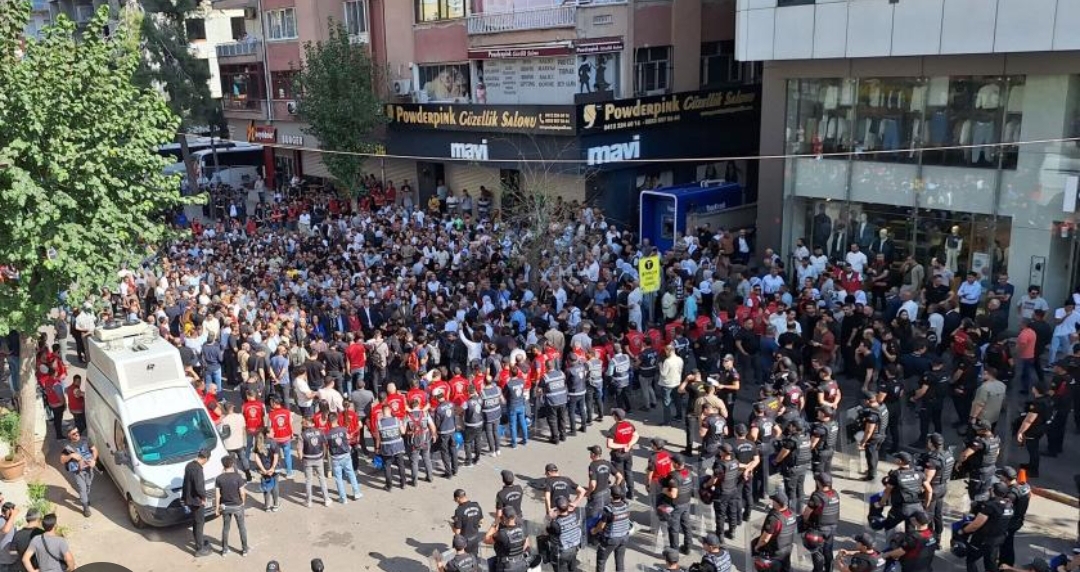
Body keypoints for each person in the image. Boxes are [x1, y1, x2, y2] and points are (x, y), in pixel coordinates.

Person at [958, 483, 1013, 572]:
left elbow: (976, 524)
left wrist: (963, 530)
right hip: (998, 539)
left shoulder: (990, 506)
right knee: (990, 564)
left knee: (971, 560)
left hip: (983, 540)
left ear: (993, 491)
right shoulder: (1009, 505)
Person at [873, 452, 930, 533]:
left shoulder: (896, 475)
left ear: (900, 461)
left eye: (896, 458)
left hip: (901, 509)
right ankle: (908, 544)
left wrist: (881, 503)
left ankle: (892, 544)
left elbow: (887, 492)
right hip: (917, 507)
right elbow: (929, 490)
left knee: (888, 526)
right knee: (910, 531)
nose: (894, 459)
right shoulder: (919, 473)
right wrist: (925, 505)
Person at [752, 491, 797, 572]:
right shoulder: (792, 514)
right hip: (787, 549)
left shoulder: (774, 519)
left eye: (773, 501)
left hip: (774, 552)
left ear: (777, 503)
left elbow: (765, 539)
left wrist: (757, 547)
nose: (772, 502)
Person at [919, 433, 953, 540]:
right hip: (943, 487)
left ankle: (928, 538)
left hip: (933, 489)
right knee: (938, 514)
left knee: (928, 514)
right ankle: (938, 538)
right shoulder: (948, 454)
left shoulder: (933, 459)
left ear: (931, 443)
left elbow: (927, 480)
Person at [773, 420, 812, 513]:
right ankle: (799, 510)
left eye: (790, 426)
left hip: (792, 469)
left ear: (794, 427)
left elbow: (783, 454)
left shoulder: (792, 440)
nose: (789, 427)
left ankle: (791, 512)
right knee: (800, 489)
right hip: (803, 467)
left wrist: (776, 461)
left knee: (791, 492)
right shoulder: (806, 436)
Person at [1016, 381, 1053, 478]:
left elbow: (1029, 420)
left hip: (1034, 430)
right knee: (1033, 448)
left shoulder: (1038, 403)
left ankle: (1034, 470)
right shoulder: (1047, 399)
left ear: (1036, 389)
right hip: (1042, 428)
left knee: (1033, 449)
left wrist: (1020, 432)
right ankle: (1031, 465)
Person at [216, 455, 250, 557]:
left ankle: (224, 549)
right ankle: (244, 549)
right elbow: (242, 493)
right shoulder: (238, 477)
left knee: (226, 528)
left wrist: (217, 508)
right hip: (237, 506)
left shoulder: (219, 478)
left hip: (225, 506)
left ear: (223, 465)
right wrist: (243, 502)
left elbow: (217, 494)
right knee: (242, 528)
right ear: (233, 464)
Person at [59, 426, 97, 518]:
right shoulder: (67, 446)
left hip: (89, 468)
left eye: (77, 432)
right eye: (74, 434)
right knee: (82, 488)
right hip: (77, 471)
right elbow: (62, 460)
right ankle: (85, 507)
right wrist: (71, 456)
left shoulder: (86, 440)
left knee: (88, 485)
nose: (77, 434)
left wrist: (93, 460)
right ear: (69, 435)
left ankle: (85, 498)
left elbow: (94, 450)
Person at [592, 485, 631, 572]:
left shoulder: (609, 510)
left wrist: (594, 531)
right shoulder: (626, 506)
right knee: (620, 561)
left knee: (601, 560)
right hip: (624, 537)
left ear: (610, 496)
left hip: (611, 539)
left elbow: (601, 526)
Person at [997, 466, 1031, 566]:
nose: (1000, 478)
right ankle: (1006, 564)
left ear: (1006, 478)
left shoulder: (1011, 494)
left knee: (1005, 545)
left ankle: (1005, 565)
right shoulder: (1024, 486)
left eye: (1001, 477)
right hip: (1018, 519)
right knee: (1008, 543)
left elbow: (1003, 507)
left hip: (1010, 523)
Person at [707, 444, 742, 541]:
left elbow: (714, 479)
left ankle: (720, 535)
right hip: (733, 490)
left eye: (720, 450)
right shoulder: (735, 461)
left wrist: (706, 485)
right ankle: (732, 532)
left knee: (720, 514)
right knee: (732, 511)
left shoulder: (720, 464)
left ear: (723, 452)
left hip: (722, 493)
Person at [960, 420, 1001, 501]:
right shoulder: (996, 439)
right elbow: (997, 452)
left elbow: (965, 454)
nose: (976, 430)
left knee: (974, 494)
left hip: (979, 472)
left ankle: (976, 511)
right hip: (991, 469)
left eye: (979, 429)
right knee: (985, 491)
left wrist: (959, 462)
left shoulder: (981, 441)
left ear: (986, 430)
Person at [327, 412, 362, 503]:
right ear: (337, 419)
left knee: (338, 478)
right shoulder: (343, 429)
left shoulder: (328, 434)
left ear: (329, 421)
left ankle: (343, 498)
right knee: (351, 474)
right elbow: (348, 438)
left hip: (335, 457)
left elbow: (327, 445)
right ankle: (357, 493)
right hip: (345, 455)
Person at [663, 454, 694, 554]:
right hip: (686, 502)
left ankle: (674, 551)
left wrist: (664, 491)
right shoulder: (688, 472)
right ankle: (687, 547)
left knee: (674, 528)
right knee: (686, 525)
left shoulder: (674, 476)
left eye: (672, 462)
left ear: (676, 464)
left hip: (676, 505)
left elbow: (673, 494)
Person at [183, 448, 211, 556]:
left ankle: (199, 542)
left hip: (189, 499)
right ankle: (200, 549)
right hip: (196, 501)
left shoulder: (189, 465)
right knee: (199, 523)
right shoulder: (198, 470)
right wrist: (204, 498)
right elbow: (199, 488)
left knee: (196, 521)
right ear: (206, 459)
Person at [484, 506, 530, 572]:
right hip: (520, 564)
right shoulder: (523, 528)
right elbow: (526, 546)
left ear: (504, 518)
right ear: (515, 516)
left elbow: (486, 539)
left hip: (506, 567)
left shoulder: (502, 534)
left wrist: (495, 523)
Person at [606, 409, 638, 499]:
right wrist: (629, 444)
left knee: (620, 475)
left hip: (618, 455)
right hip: (629, 452)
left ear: (615, 417)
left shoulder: (613, 429)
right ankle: (631, 493)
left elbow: (609, 444)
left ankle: (622, 495)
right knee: (629, 472)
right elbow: (636, 435)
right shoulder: (629, 424)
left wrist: (623, 445)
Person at [375, 403, 408, 490]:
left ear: (382, 412)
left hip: (386, 448)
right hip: (398, 446)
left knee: (387, 466)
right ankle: (403, 483)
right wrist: (404, 424)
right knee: (401, 464)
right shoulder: (397, 420)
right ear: (390, 410)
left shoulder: (379, 423)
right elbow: (403, 432)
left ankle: (389, 485)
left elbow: (378, 438)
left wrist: (377, 448)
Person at [546, 496, 582, 572]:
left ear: (557, 509)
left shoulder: (555, 524)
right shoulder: (575, 515)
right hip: (574, 548)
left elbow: (547, 530)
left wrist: (549, 517)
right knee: (572, 567)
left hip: (562, 552)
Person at [299, 416, 329, 507]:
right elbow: (324, 444)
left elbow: (299, 449)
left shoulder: (302, 435)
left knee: (308, 480)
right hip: (318, 457)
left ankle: (309, 501)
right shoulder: (320, 432)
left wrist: (301, 458)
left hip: (307, 459)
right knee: (322, 478)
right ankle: (326, 499)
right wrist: (323, 454)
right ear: (313, 423)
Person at [405, 398, 436, 485]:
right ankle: (430, 477)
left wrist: (409, 433)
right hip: (425, 440)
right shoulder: (425, 414)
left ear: (411, 406)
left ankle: (414, 482)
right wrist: (433, 435)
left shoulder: (408, 416)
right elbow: (432, 426)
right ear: (419, 405)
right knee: (427, 458)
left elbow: (403, 431)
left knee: (414, 461)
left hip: (414, 442)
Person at [252, 429, 281, 512]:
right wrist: (272, 468)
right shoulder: (273, 442)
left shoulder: (259, 442)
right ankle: (275, 505)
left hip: (264, 469)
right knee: (275, 486)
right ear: (267, 434)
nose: (274, 432)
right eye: (272, 432)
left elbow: (256, 458)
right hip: (274, 469)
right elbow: (276, 456)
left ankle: (267, 506)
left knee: (266, 486)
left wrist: (263, 469)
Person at [220, 402, 249, 481]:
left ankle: (237, 477)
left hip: (229, 445)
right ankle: (248, 475)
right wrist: (244, 441)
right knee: (243, 459)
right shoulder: (240, 416)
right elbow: (244, 430)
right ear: (232, 408)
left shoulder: (224, 420)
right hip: (239, 442)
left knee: (233, 462)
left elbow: (221, 432)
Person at [0, 502, 18, 571]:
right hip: (3, 562)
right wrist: (13, 515)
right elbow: (5, 530)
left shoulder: (9, 522)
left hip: (11, 561)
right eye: (12, 511)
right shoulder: (1, 520)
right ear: (8, 511)